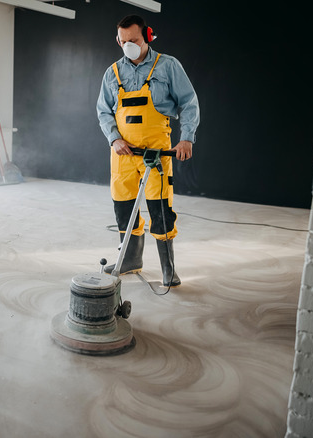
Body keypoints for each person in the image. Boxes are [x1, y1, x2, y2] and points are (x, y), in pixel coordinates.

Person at [96, 14, 199, 286]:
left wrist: (186, 138)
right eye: (124, 41)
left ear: (148, 37)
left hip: (156, 152)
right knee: (123, 207)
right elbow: (104, 111)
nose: (129, 45)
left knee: (160, 208)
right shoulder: (112, 73)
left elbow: (189, 103)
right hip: (123, 154)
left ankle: (168, 267)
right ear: (118, 40)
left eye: (135, 40)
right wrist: (115, 139)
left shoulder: (167, 66)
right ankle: (130, 260)